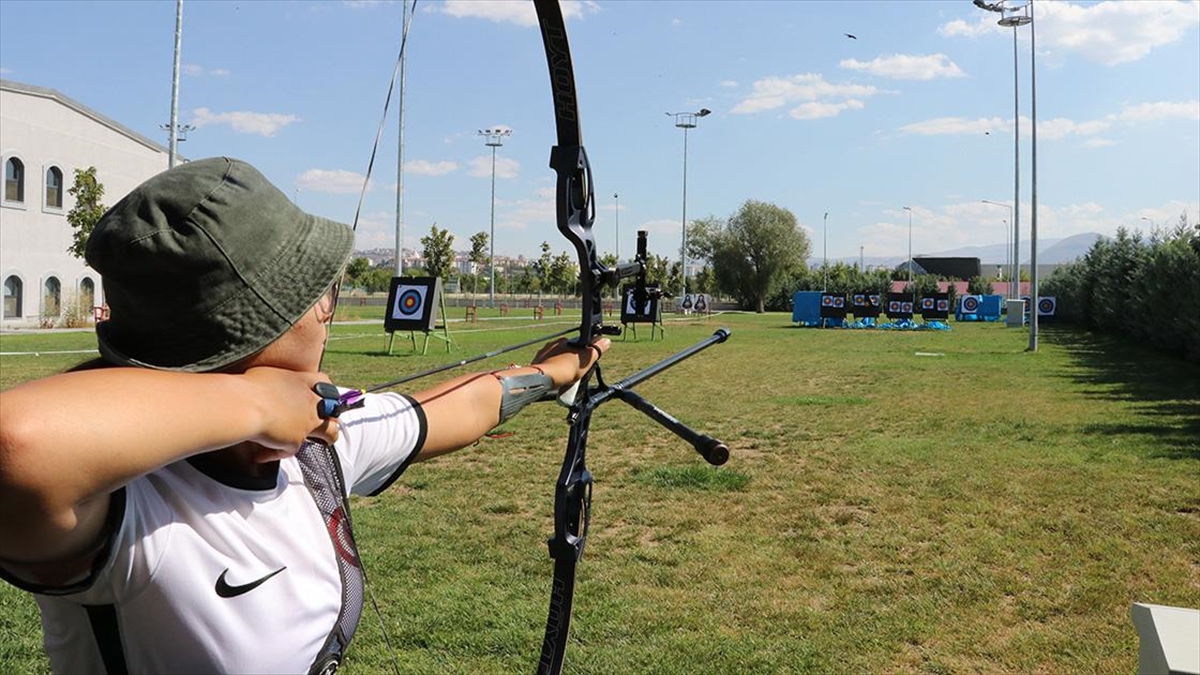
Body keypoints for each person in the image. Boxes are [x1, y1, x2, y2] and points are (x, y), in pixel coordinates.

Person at [0, 157, 609, 674]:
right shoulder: (128, 503)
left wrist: (549, 374)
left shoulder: (316, 443)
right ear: (253, 331)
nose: (327, 308)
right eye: (317, 292)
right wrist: (260, 403)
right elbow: (14, 443)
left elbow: (458, 406)